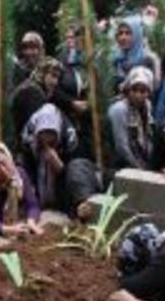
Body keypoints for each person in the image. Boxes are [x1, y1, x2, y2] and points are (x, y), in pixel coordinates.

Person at [20, 103, 100, 213]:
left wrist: (61, 168)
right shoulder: (29, 139)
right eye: (44, 134)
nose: (47, 140)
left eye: (51, 135)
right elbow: (27, 168)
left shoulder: (69, 140)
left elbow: (77, 173)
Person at [54, 24, 95, 160]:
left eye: (75, 37)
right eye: (68, 38)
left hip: (89, 124)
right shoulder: (61, 61)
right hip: (67, 120)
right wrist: (71, 103)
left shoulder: (93, 61)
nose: (71, 41)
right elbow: (54, 89)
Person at [106, 66, 155, 170]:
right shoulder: (119, 109)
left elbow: (148, 136)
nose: (138, 95)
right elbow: (121, 147)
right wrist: (138, 168)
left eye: (142, 91)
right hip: (120, 164)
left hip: (141, 159)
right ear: (128, 89)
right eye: (134, 90)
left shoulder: (147, 106)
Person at [10, 57, 63, 146]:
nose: (55, 82)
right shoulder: (31, 92)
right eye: (53, 76)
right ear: (42, 73)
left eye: (57, 78)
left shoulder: (34, 89)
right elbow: (33, 129)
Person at [112, 16, 161, 93]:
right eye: (120, 33)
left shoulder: (149, 59)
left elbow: (156, 89)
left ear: (137, 34)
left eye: (128, 33)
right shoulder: (116, 60)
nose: (123, 37)